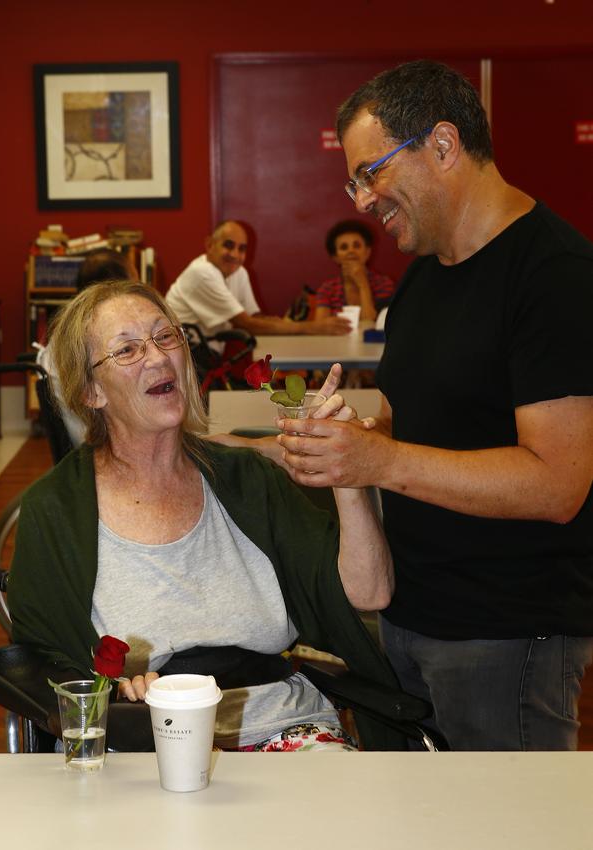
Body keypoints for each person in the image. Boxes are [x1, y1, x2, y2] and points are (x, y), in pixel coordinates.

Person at [277, 60, 593, 751]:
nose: (362, 200)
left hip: (506, 633)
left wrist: (380, 458)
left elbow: (559, 483)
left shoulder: (555, 277)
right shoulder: (422, 282)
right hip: (408, 614)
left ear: (443, 146)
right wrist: (349, 440)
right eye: (354, 180)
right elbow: (407, 426)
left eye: (372, 172)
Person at [7, 280, 396, 752]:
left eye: (164, 336)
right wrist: (113, 694)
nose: (157, 357)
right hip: (143, 745)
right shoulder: (56, 510)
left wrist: (347, 477)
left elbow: (370, 592)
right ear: (92, 392)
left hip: (284, 730)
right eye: (127, 350)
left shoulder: (247, 481)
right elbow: (43, 664)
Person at [165, 220, 352, 350]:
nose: (236, 255)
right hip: (185, 353)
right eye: (228, 245)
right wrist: (313, 327)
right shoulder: (202, 273)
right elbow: (248, 325)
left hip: (208, 351)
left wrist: (281, 323)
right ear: (209, 245)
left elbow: (255, 317)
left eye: (242, 249)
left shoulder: (238, 271)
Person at [36, 247, 137, 446]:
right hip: (103, 444)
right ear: (115, 287)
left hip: (84, 438)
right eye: (134, 282)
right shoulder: (98, 335)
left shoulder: (69, 328)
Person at [314, 219, 395, 324]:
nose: (351, 251)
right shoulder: (327, 289)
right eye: (344, 247)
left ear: (367, 252)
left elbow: (372, 323)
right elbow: (320, 327)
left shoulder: (384, 284)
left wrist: (363, 284)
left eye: (356, 245)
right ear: (335, 257)